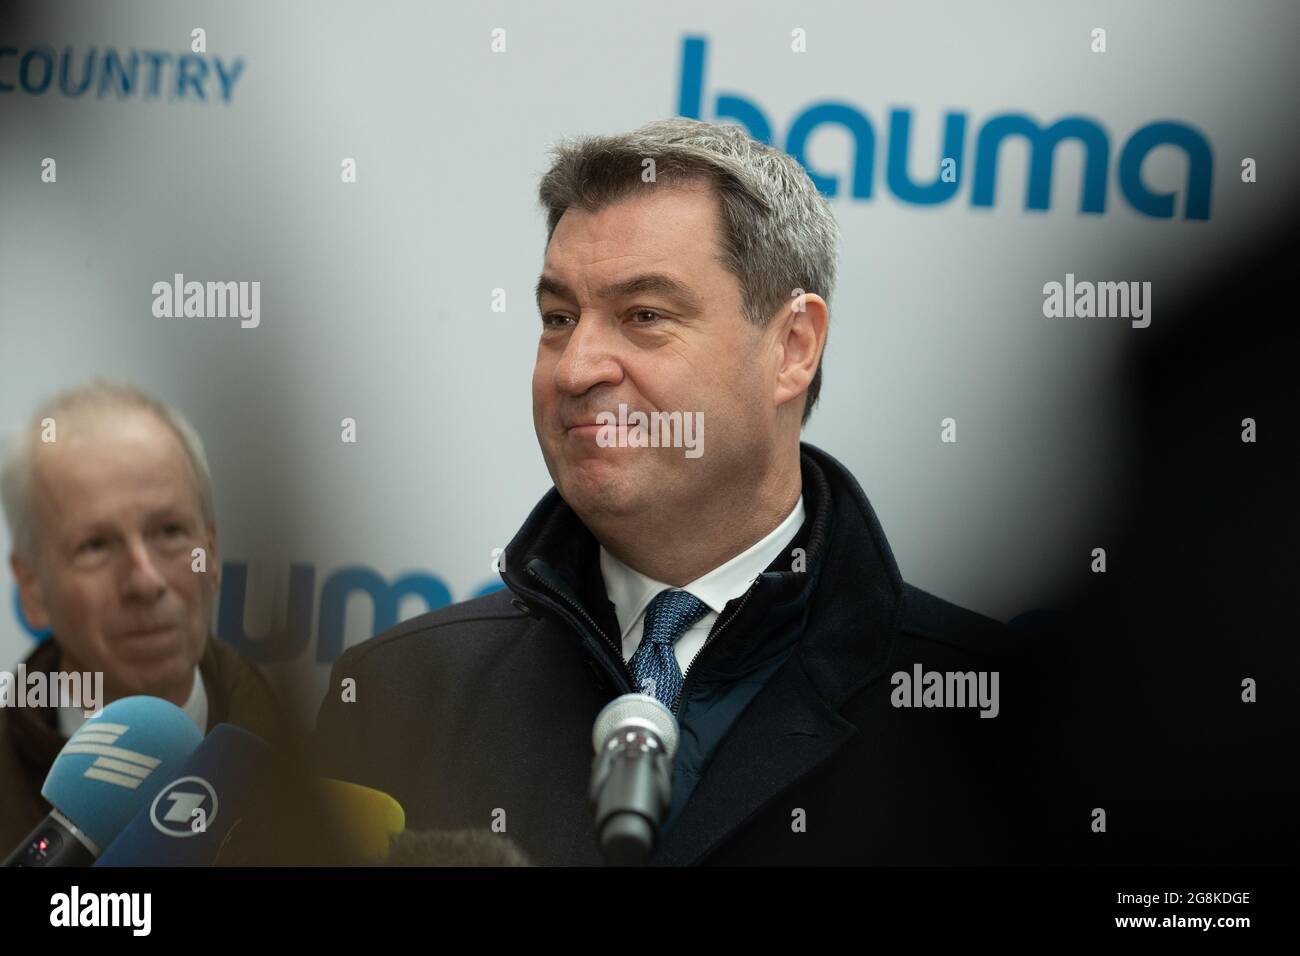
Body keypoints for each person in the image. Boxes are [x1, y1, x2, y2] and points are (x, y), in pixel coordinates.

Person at [313, 117, 1039, 865]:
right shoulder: (398, 692)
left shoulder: (985, 708)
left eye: (645, 316)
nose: (576, 369)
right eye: (559, 318)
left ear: (793, 348)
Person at [0, 381, 287, 853]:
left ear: (211, 554)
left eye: (170, 531)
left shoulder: (316, 771)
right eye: (96, 545)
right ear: (31, 586)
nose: (146, 580)